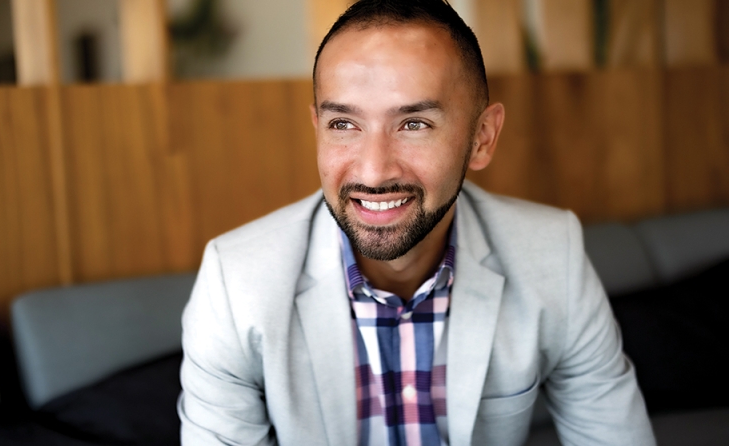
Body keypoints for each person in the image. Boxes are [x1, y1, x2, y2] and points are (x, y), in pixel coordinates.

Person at [178, 0, 655, 444]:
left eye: (414, 124)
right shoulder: (236, 283)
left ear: (482, 138)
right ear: (317, 128)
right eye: (343, 124)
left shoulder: (553, 255)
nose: (373, 171)